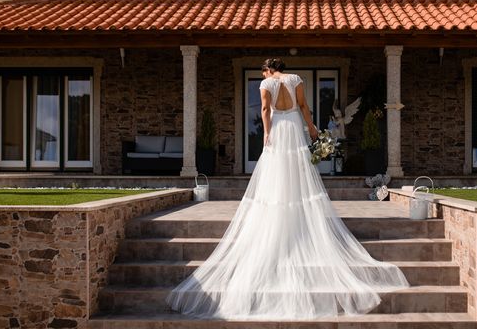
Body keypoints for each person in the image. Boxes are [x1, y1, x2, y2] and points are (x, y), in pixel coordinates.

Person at [166, 58, 409, 320]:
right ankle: (299, 222)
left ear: (268, 70)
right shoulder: (296, 80)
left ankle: (280, 218)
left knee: (276, 171)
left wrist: (267, 135)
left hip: (279, 128)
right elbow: (304, 106)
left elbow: (264, 110)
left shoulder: (266, 82)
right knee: (298, 170)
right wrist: (313, 129)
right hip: (294, 127)